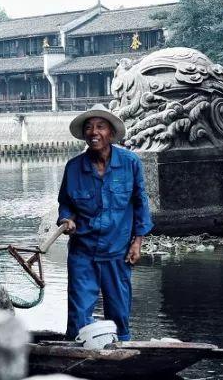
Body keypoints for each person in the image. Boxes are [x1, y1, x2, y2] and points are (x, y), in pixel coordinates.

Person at [57, 104, 153, 341]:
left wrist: (137, 242)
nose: (94, 132)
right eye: (89, 128)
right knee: (79, 312)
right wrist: (66, 219)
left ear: (111, 133)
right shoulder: (74, 168)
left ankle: (121, 351)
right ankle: (76, 353)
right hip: (83, 251)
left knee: (119, 313)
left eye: (100, 127)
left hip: (116, 251)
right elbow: (66, 203)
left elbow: (141, 203)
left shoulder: (130, 163)